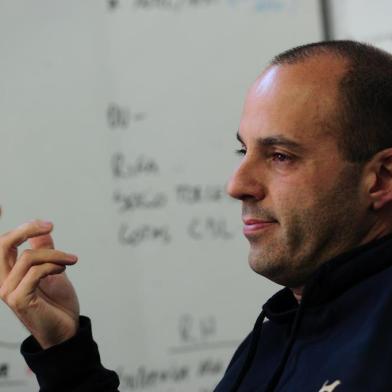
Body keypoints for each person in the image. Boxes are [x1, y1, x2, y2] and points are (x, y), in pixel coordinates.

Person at [1, 39, 392, 392]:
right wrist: (66, 353)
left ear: (381, 180)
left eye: (280, 156)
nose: (237, 185)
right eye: (244, 152)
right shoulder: (276, 338)